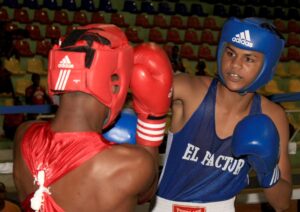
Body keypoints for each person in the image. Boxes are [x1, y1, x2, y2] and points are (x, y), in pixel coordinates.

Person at [13, 25, 173, 211]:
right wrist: (151, 120)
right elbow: (147, 192)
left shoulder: (23, 135)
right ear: (115, 86)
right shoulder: (130, 164)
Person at [151, 17, 292, 211]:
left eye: (249, 58)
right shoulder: (189, 90)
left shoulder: (272, 116)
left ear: (266, 66)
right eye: (230, 53)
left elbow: (282, 203)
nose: (234, 65)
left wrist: (268, 172)